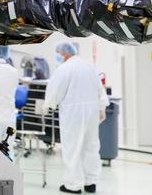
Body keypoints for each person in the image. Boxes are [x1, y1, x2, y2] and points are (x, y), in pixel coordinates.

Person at [44, 42, 108, 194]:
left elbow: (55, 91)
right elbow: (100, 88)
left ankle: (73, 185)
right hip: (92, 111)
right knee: (91, 146)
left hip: (73, 113)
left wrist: (47, 106)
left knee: (73, 147)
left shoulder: (64, 68)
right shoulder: (89, 65)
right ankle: (90, 182)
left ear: (64, 53)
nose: (58, 56)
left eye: (59, 54)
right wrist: (102, 107)